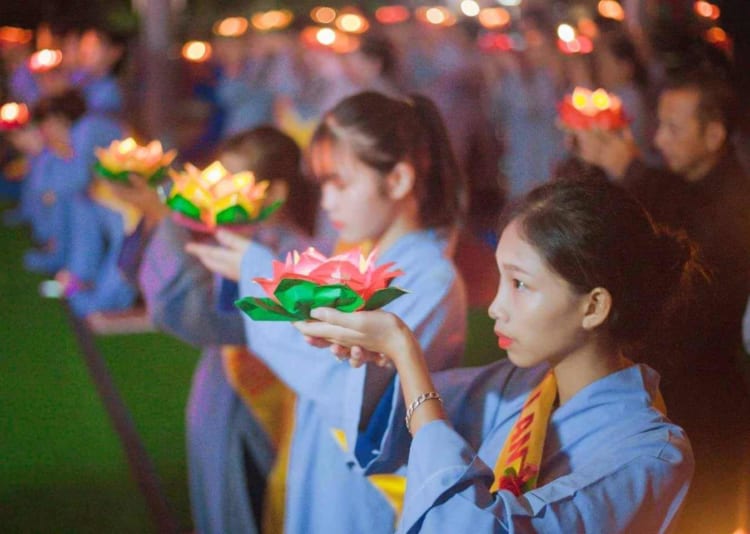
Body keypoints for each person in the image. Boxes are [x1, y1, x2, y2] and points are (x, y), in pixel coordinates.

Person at [296, 175, 698, 532]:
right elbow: (398, 428)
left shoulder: (652, 455)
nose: (495, 306)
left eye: (520, 284)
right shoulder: (519, 384)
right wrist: (382, 360)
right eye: (500, 279)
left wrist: (406, 351)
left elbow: (470, 524)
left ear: (593, 307)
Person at [187, 91, 468, 533]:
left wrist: (262, 275)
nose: (327, 202)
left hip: (365, 491)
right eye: (322, 186)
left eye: (341, 184)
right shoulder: (367, 256)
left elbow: (344, 393)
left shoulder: (429, 278)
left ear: (396, 180)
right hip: (325, 468)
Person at [575, 68, 750, 532]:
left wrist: (630, 169)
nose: (659, 138)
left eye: (673, 127)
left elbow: (694, 256)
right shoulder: (681, 187)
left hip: (707, 397)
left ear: (714, 134)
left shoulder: (735, 199)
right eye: (658, 125)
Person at [125, 126, 316, 534]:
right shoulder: (240, 235)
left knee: (243, 500)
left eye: (234, 183)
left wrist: (167, 220)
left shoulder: (293, 253)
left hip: (255, 400)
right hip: (221, 388)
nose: (218, 194)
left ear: (275, 194)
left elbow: (202, 316)